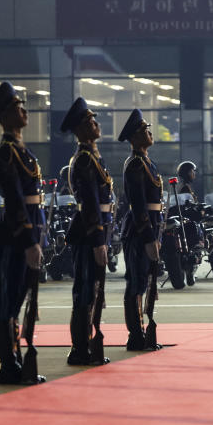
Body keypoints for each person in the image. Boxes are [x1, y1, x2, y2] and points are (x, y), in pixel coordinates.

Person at [0, 82, 46, 385]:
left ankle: (17, 359)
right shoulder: (5, 153)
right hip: (14, 237)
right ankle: (8, 365)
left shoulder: (22, 150)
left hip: (28, 233)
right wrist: (29, 239)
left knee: (19, 300)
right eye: (18, 106)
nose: (24, 110)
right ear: (6, 116)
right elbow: (16, 200)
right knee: (7, 302)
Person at [60, 97, 112, 366]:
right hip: (87, 234)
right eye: (90, 122)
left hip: (96, 232)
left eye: (94, 120)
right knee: (84, 291)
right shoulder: (83, 160)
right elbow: (90, 202)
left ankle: (86, 345)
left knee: (93, 291)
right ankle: (79, 349)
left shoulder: (92, 157)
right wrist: (98, 239)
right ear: (80, 129)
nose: (95, 124)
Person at [119, 109, 163, 351]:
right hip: (138, 231)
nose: (150, 132)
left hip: (151, 228)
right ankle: (135, 334)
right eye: (145, 129)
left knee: (144, 282)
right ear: (135, 137)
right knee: (135, 283)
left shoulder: (147, 162)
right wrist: (148, 236)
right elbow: (137, 204)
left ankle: (142, 331)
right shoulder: (135, 164)